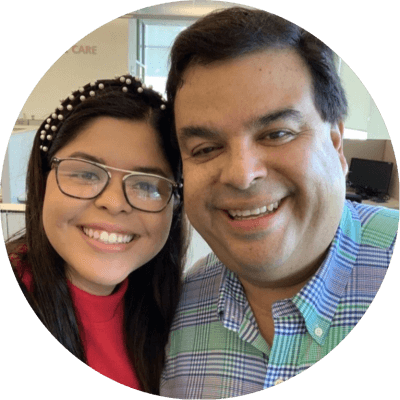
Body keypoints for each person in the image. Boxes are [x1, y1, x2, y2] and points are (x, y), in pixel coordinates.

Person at [160, 7, 399, 399]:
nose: (241, 174)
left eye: (277, 133)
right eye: (205, 148)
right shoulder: (176, 313)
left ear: (337, 145)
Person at [6, 75, 189, 395]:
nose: (114, 203)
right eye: (86, 173)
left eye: (146, 185)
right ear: (43, 179)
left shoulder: (179, 315)